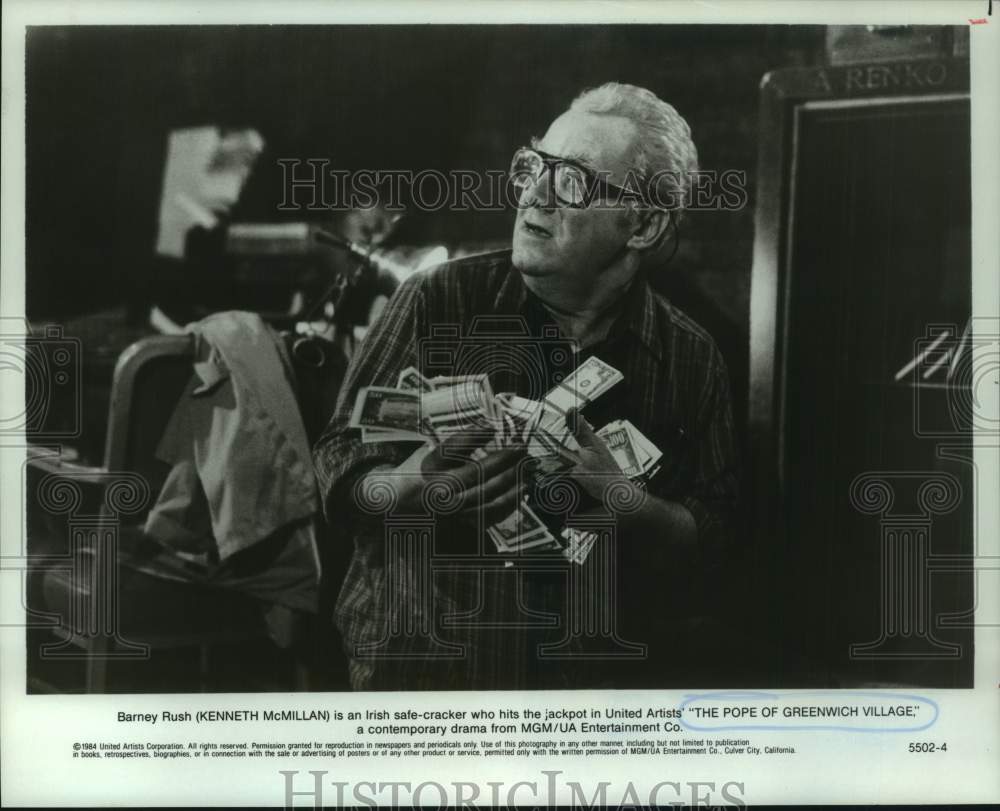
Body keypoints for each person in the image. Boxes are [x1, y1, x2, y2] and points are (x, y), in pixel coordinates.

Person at [313, 82, 740, 690]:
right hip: (424, 675)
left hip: (592, 694)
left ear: (642, 224)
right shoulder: (437, 300)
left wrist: (629, 505)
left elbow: (717, 540)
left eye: (572, 180)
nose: (535, 193)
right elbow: (336, 466)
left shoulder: (692, 358)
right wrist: (412, 484)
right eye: (534, 166)